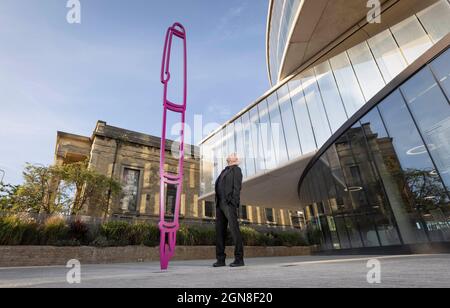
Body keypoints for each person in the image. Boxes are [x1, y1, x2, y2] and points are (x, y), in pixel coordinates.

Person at [213, 153, 245, 268]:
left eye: (233, 154)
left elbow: (237, 188)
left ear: (235, 159)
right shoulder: (224, 171)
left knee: (234, 231)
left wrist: (233, 203)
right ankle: (220, 259)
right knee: (219, 232)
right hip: (219, 204)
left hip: (228, 204)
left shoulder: (236, 170)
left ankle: (239, 259)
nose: (230, 154)